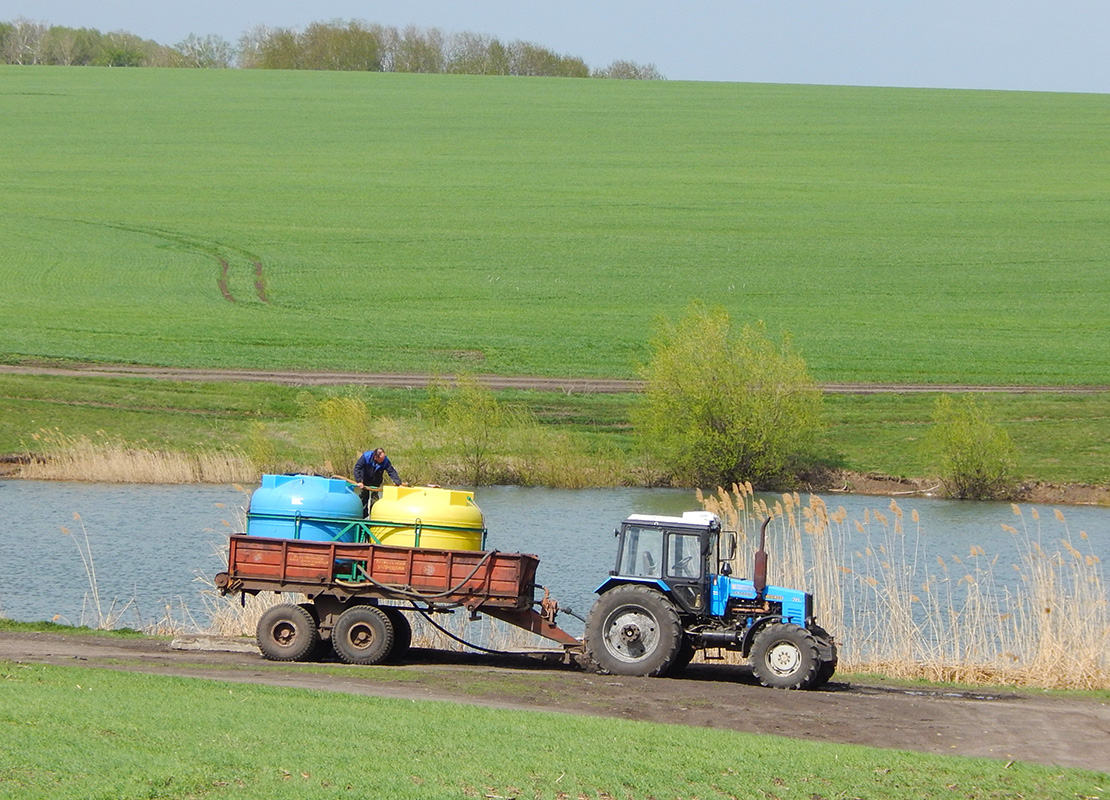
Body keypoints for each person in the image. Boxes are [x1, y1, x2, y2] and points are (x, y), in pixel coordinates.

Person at [353, 447, 403, 516]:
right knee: (364, 498)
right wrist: (359, 481)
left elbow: (391, 471)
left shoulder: (385, 461)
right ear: (376, 457)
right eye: (381, 459)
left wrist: (398, 483)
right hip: (364, 481)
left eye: (384, 458)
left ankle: (373, 516)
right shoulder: (366, 457)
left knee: (375, 500)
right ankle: (362, 516)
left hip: (376, 482)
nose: (383, 460)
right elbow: (357, 468)